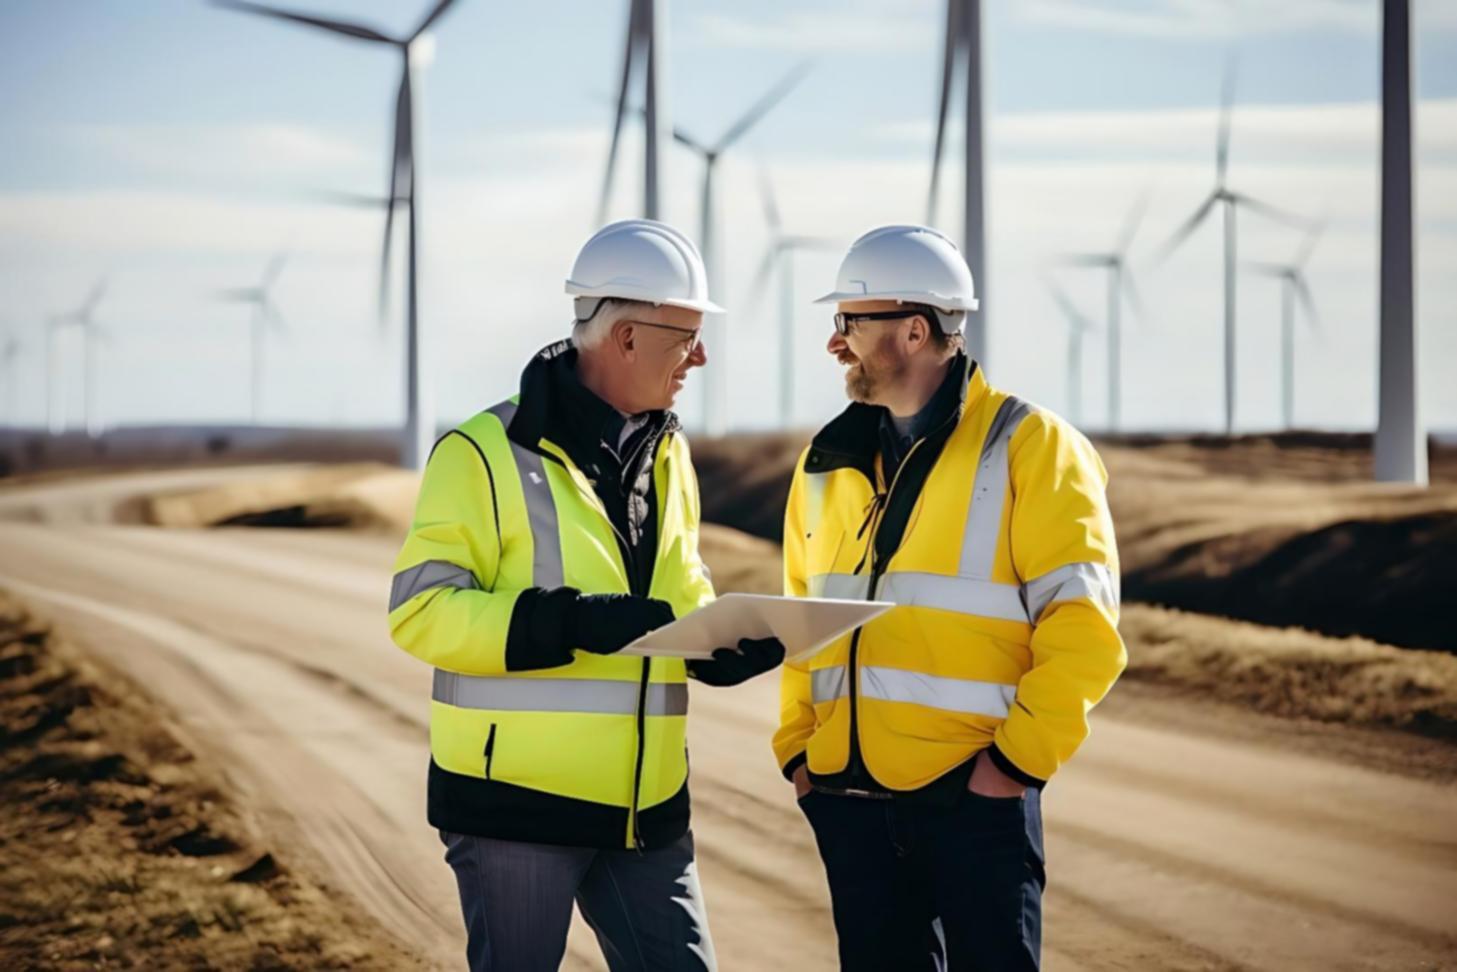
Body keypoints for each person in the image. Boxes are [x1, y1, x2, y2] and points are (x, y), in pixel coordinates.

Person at [389, 218, 784, 972]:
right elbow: (420, 611)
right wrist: (569, 621)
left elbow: (680, 583)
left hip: (646, 809)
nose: (700, 358)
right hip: (515, 807)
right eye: (685, 338)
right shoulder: (479, 453)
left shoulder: (669, 451)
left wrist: (715, 643)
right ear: (627, 337)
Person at [774, 225, 1126, 971]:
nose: (835, 343)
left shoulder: (1031, 448)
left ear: (914, 329)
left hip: (974, 801)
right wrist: (799, 755)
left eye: (849, 322)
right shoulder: (824, 461)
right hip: (849, 802)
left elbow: (1083, 628)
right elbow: (800, 615)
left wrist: (1011, 771)